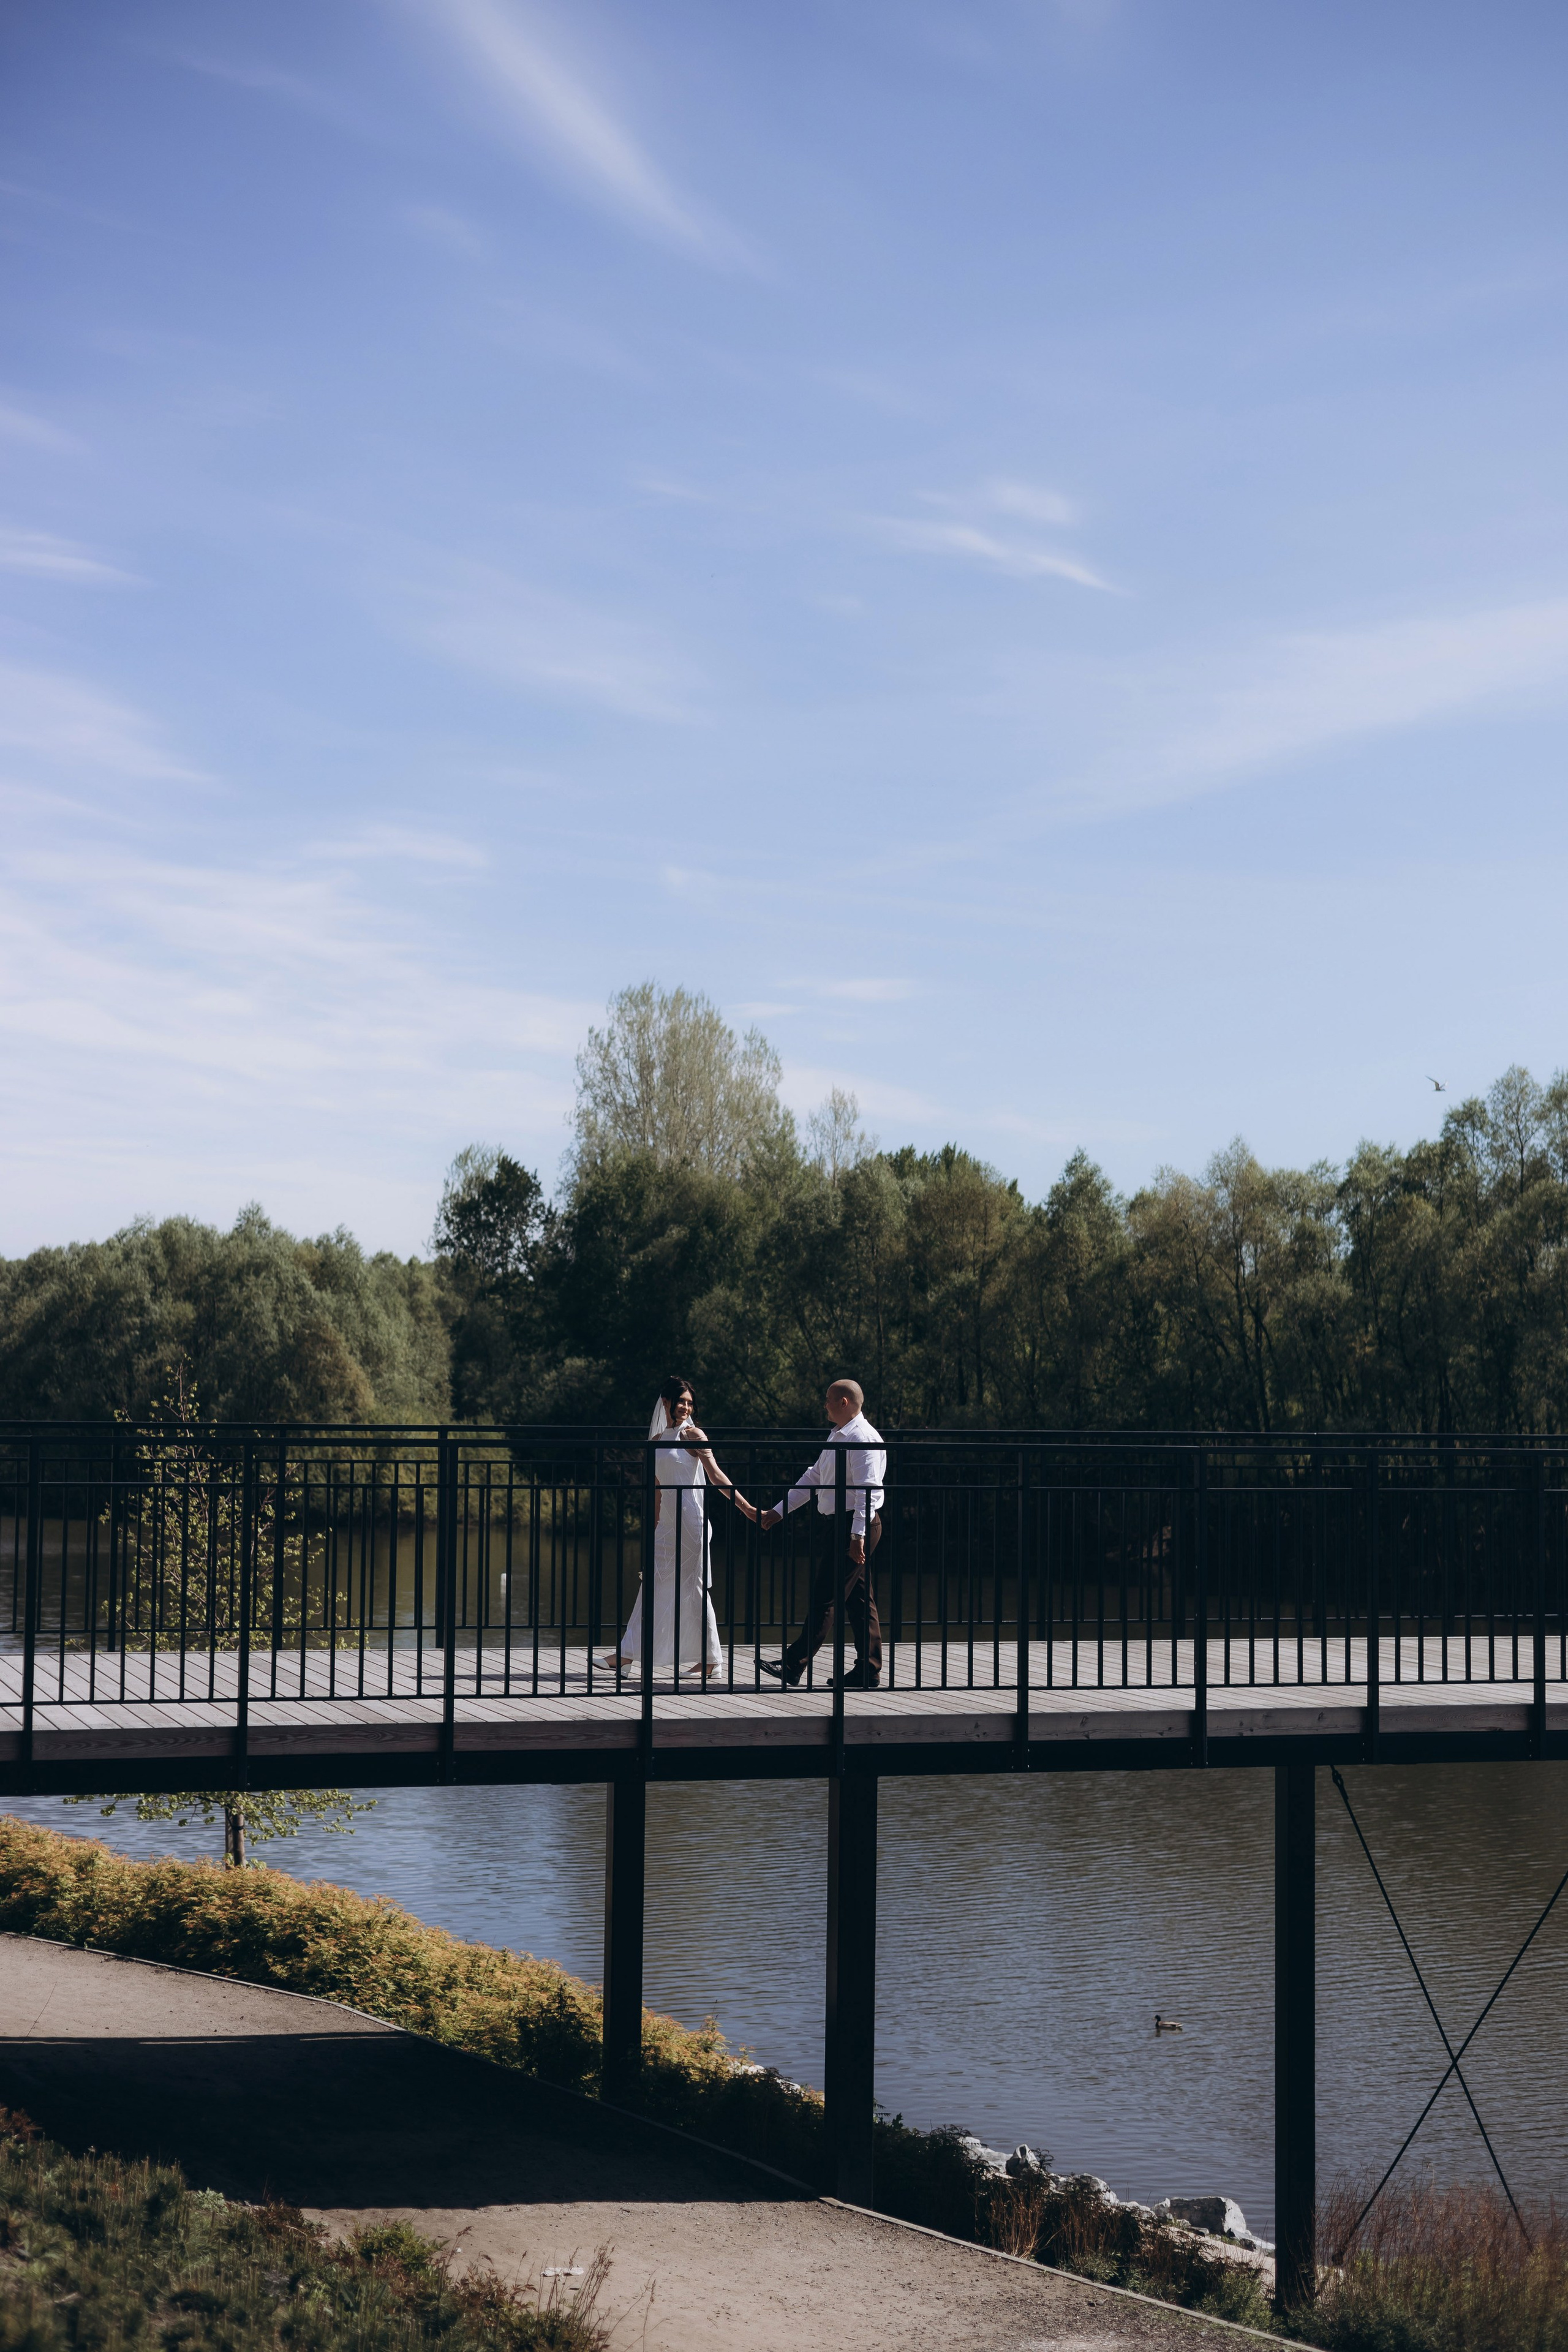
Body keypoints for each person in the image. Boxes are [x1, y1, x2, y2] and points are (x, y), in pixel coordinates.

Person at [603, 1376, 755, 1682]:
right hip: (667, 1526)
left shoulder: (694, 1435)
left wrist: (748, 1508)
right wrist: (655, 1530)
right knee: (654, 1585)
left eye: (690, 1403)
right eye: (681, 1401)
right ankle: (629, 1655)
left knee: (694, 1590)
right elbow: (658, 1491)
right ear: (666, 1402)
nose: (686, 1407)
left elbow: (716, 1476)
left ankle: (707, 1661)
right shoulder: (657, 1441)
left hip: (692, 1523)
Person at [756, 1379, 886, 1689]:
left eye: (828, 1399)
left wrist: (857, 1536)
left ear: (844, 1402)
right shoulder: (839, 1434)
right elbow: (814, 1476)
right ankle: (868, 1671)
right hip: (845, 1525)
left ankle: (793, 1664)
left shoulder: (862, 1438)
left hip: (855, 1526)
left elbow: (868, 1491)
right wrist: (779, 1511)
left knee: (825, 1597)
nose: (824, 1404)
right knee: (859, 1602)